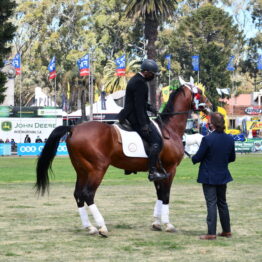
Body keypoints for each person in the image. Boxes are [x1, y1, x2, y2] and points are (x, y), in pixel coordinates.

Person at [118, 59, 168, 182]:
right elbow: (138, 107)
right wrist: (144, 124)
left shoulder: (136, 79)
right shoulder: (140, 83)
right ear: (146, 72)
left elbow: (140, 102)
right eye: (152, 74)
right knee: (156, 141)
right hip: (135, 117)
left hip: (129, 114)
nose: (153, 77)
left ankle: (130, 166)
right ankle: (152, 172)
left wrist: (150, 107)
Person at [192, 112, 236, 240]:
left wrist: (193, 158)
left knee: (211, 203)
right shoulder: (229, 139)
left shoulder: (207, 139)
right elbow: (232, 158)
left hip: (209, 176)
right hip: (223, 175)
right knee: (222, 203)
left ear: (212, 124)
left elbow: (198, 157)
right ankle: (227, 231)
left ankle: (211, 233)